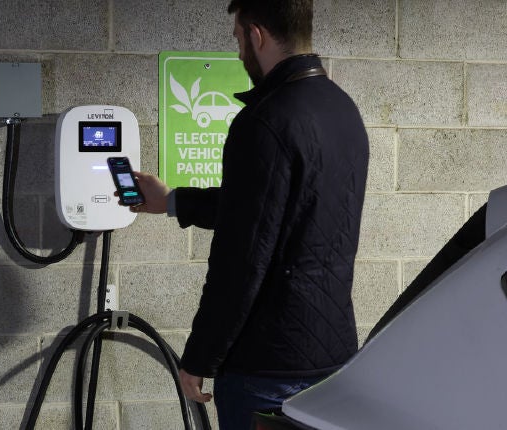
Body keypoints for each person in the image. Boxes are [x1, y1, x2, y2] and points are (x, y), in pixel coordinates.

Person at [130, 0, 369, 427]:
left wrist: (201, 354)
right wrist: (171, 201)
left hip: (266, 366)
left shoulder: (264, 121)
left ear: (256, 35)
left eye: (239, 38)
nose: (240, 51)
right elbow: (267, 208)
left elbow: (242, 259)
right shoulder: (343, 110)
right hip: (333, 357)